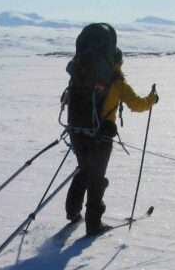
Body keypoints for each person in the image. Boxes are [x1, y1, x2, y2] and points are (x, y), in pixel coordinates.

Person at [65, 46, 158, 236]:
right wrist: (152, 99)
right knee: (96, 178)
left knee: (84, 169)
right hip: (101, 136)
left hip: (77, 132)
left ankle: (73, 212)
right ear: (117, 62)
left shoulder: (80, 76)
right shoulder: (116, 82)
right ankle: (93, 224)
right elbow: (136, 104)